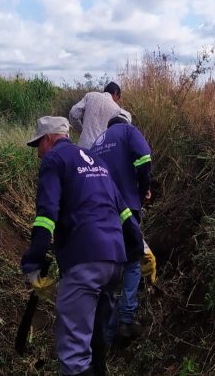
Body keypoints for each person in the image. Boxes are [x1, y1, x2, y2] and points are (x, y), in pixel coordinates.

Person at [20, 116, 144, 376]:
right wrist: (138, 249)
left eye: (38, 147)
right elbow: (122, 212)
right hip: (114, 263)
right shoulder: (96, 162)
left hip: (85, 261)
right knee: (97, 340)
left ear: (48, 139)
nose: (38, 155)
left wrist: (33, 262)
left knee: (75, 355)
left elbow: (46, 216)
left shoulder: (54, 161)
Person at [89, 110, 156, 345]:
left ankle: (105, 336)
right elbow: (144, 159)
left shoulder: (97, 143)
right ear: (125, 122)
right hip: (125, 208)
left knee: (109, 269)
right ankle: (126, 321)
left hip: (98, 214)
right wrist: (143, 189)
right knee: (131, 263)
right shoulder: (128, 131)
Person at [69, 82, 122, 149]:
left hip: (83, 145)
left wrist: (81, 130)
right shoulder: (117, 109)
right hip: (100, 149)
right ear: (115, 93)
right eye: (119, 97)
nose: (117, 100)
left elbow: (73, 113)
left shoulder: (90, 95)